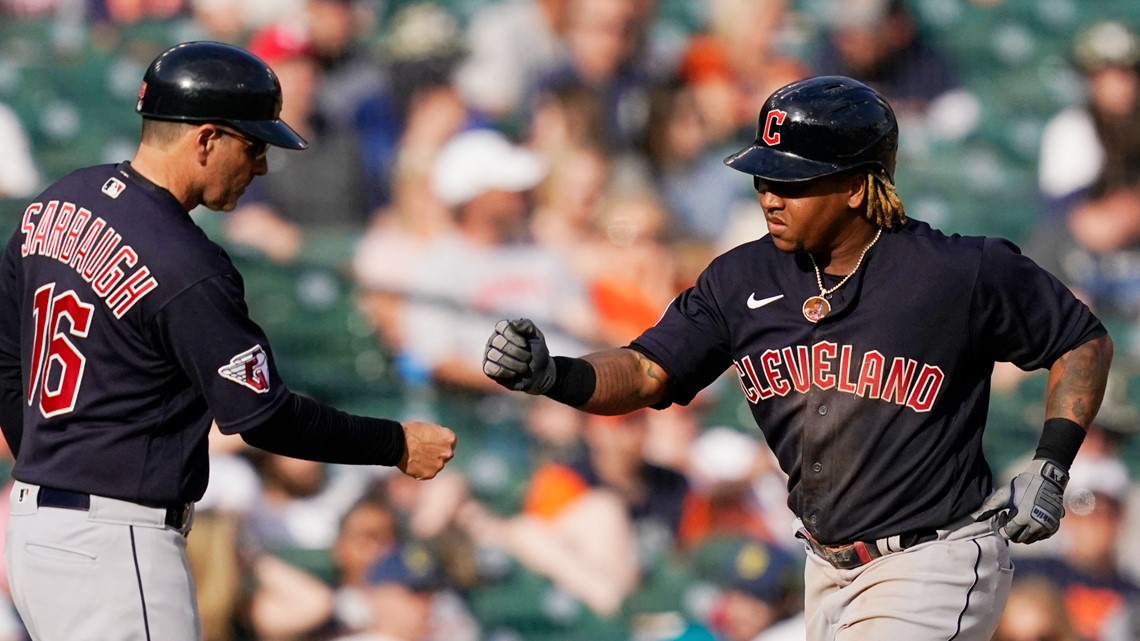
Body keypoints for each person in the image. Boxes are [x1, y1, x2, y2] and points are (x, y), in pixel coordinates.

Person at [482, 75, 1114, 641]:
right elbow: (646, 370)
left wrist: (1052, 463)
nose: (769, 195)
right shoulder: (740, 278)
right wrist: (554, 374)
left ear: (857, 186)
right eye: (763, 176)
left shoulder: (956, 273)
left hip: (933, 561)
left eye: (792, 180)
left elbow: (1081, 339)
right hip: (824, 569)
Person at [0, 41, 457, 641]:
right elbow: (264, 419)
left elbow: (10, 367)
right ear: (207, 139)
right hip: (116, 542)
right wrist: (394, 443)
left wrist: (47, 470)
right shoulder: (188, 265)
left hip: (35, 532)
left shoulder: (56, 203)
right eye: (254, 144)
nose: (263, 165)